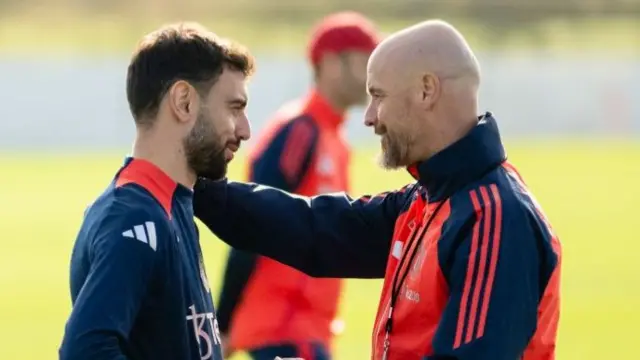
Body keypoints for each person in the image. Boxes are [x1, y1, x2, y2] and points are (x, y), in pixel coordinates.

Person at [193, 19, 561, 360]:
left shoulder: (493, 218)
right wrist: (195, 187)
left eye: (379, 96)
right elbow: (316, 230)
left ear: (426, 91)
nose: (370, 117)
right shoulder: (426, 200)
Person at [58, 22, 255, 360]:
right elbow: (85, 351)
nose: (245, 129)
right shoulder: (133, 217)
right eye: (234, 108)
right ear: (184, 102)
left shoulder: (171, 204)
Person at [215, 11, 380, 360]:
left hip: (305, 333)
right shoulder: (299, 130)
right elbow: (249, 223)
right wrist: (223, 324)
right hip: (283, 331)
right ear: (333, 64)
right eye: (366, 60)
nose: (373, 74)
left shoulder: (334, 137)